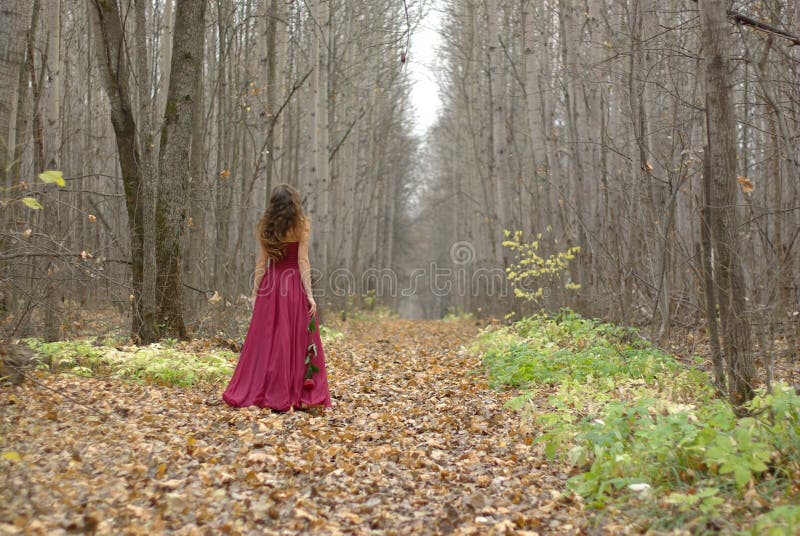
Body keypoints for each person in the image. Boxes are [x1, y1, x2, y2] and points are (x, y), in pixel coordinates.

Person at [222, 184, 331, 412]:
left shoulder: (266, 226)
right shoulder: (302, 224)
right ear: (294, 203)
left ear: (273, 204)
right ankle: (294, 393)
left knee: (267, 342)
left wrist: (255, 292)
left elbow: (261, 264)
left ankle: (266, 391)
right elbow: (303, 261)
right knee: (292, 338)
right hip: (293, 287)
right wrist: (309, 294)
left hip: (271, 287)